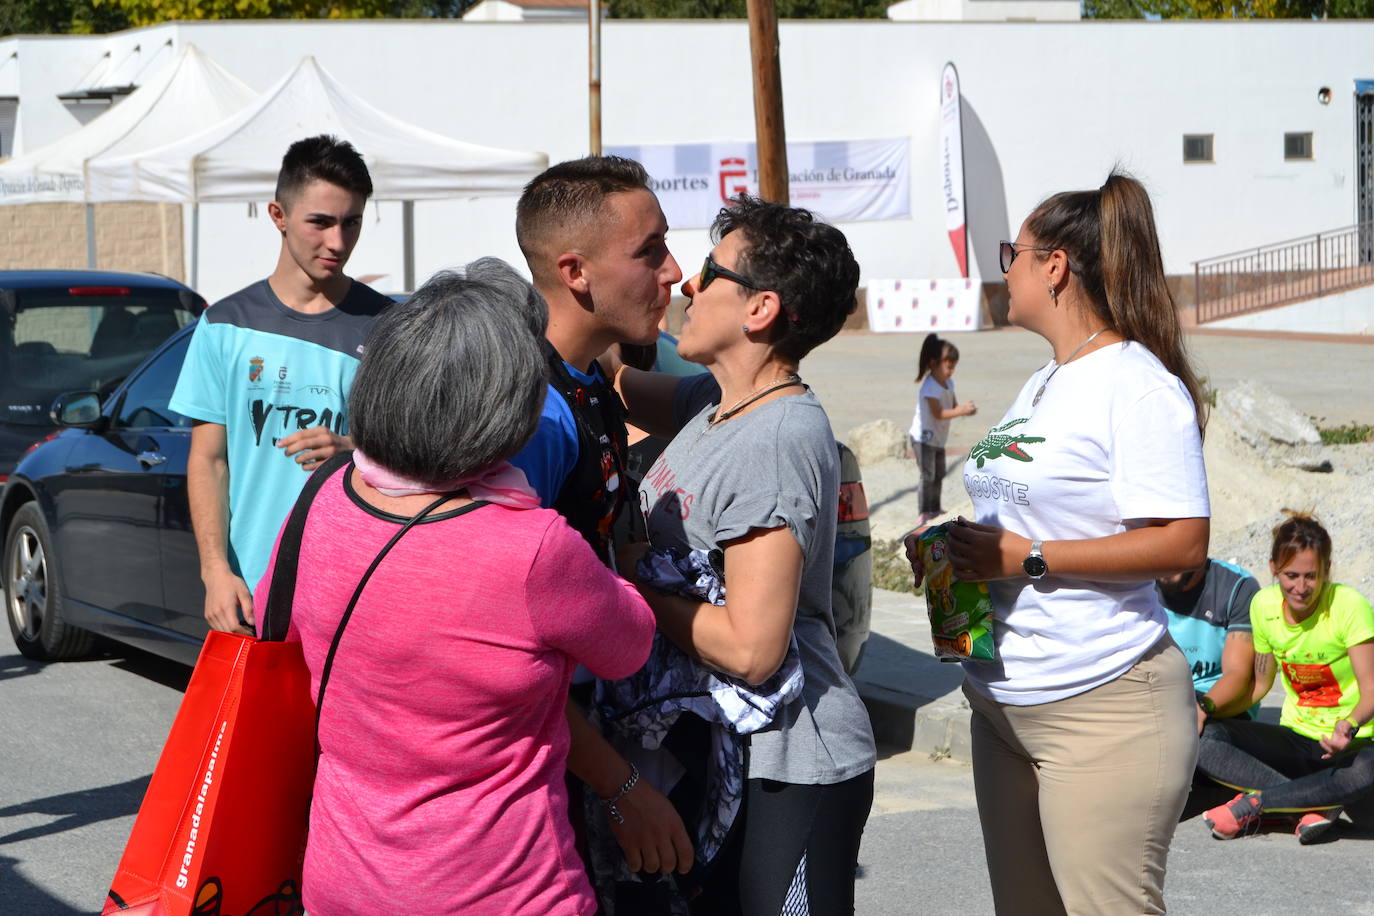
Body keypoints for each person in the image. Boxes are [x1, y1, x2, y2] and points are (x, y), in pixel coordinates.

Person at [252, 262, 656, 915]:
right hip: (501, 891)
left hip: (343, 879)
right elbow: (630, 644)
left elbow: (273, 612)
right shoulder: (533, 547)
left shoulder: (324, 495)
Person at [908, 173, 1210, 915]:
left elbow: (1184, 544)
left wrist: (1031, 558)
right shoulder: (1046, 379)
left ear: (1055, 266)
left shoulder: (1137, 386)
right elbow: (1042, 506)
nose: (1003, 266)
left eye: (1015, 251)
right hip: (1002, 702)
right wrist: (954, 542)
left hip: (1103, 707)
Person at [620, 196, 877, 915]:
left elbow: (754, 650)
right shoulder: (716, 400)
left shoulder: (778, 438)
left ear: (760, 309)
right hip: (734, 756)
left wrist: (626, 583)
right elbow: (607, 382)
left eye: (708, 272)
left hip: (795, 764)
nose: (689, 287)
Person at [509, 155, 696, 881]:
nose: (675, 271)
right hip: (544, 771)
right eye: (649, 251)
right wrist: (620, 787)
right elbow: (508, 657)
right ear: (575, 272)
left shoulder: (590, 382)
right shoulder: (531, 416)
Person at [170, 134, 391, 635]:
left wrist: (356, 448)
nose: (338, 242)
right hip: (253, 589)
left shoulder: (391, 328)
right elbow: (209, 459)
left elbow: (424, 458)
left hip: (360, 585)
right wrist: (214, 572)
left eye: (351, 222)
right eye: (320, 222)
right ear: (279, 216)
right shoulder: (225, 325)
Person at [1199, 512, 1374, 845]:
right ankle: (1307, 807)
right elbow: (1260, 685)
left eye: (1312, 576)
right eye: (1291, 575)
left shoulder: (1349, 606)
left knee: (1368, 768)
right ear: (1273, 569)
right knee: (1205, 739)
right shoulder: (1263, 606)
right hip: (1299, 739)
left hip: (1353, 744)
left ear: (1327, 570)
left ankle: (1258, 803)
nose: (1302, 587)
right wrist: (1206, 709)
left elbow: (1372, 689)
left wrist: (1348, 725)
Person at [1157, 558, 1261, 818]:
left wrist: (1201, 709)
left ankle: (1294, 797)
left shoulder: (1237, 587)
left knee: (1198, 748)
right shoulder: (1140, 580)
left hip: (1215, 702)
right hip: (1159, 697)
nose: (1166, 567)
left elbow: (1237, 673)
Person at [908, 332, 976, 527]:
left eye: (953, 366)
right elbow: (939, 413)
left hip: (938, 438)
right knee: (927, 475)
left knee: (939, 474)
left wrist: (964, 410)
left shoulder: (948, 383)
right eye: (948, 366)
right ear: (933, 363)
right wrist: (959, 410)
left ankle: (935, 508)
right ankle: (923, 511)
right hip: (923, 438)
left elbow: (952, 406)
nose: (951, 371)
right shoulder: (929, 387)